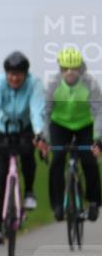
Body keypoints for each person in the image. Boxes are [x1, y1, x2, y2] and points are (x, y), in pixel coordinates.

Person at [0, 51, 48, 244]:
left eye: (18, 74)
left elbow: (36, 110)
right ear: (6, 73)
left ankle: (29, 192)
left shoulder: (34, 84)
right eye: (11, 74)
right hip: (1, 130)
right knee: (0, 178)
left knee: (28, 158)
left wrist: (39, 133)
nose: (14, 78)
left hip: (24, 129)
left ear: (26, 74)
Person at [43, 47, 102, 222]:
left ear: (80, 68)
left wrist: (98, 139)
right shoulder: (53, 84)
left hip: (84, 124)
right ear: (60, 69)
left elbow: (99, 112)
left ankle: (93, 201)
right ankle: (57, 204)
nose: (69, 72)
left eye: (74, 68)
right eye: (65, 69)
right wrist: (45, 139)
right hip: (59, 124)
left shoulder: (90, 84)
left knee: (89, 159)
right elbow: (45, 112)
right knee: (58, 158)